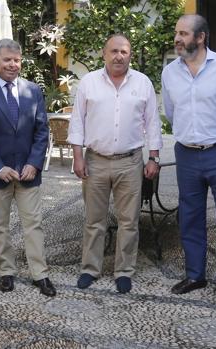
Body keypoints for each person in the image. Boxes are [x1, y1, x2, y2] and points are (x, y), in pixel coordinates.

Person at [161, 14, 216, 303]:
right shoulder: (170, 72)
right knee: (190, 216)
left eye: (184, 33)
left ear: (201, 37)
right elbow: (172, 113)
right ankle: (195, 274)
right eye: (177, 33)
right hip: (186, 153)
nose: (177, 38)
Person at [68, 34, 163, 294]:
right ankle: (90, 268)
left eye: (123, 51)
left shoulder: (142, 83)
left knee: (129, 221)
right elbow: (77, 121)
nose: (118, 56)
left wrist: (153, 157)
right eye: (113, 51)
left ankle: (124, 271)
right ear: (104, 53)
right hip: (95, 162)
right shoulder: (88, 83)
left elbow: (152, 122)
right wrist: (77, 156)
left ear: (130, 54)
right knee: (93, 220)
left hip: (130, 162)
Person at [0, 39, 55, 297]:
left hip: (28, 173)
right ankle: (6, 271)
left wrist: (34, 163)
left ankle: (41, 274)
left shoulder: (33, 90)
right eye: (7, 60)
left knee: (33, 225)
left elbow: (42, 130)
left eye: (17, 60)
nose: (13, 65)